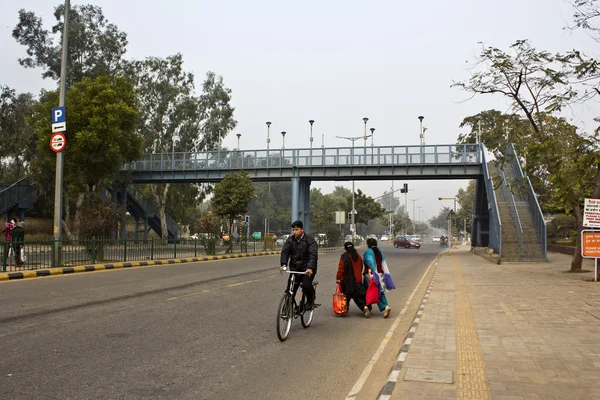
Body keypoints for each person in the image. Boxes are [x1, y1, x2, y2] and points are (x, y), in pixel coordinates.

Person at [280, 220, 318, 309]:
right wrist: (283, 264)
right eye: (293, 230)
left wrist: (310, 267)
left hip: (307, 269)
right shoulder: (290, 240)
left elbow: (313, 255)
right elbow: (285, 252)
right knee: (290, 289)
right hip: (294, 268)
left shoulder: (309, 240)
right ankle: (287, 308)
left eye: (296, 229)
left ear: (302, 229)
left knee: (306, 285)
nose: (294, 232)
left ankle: (310, 301)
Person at [363, 237, 395, 318]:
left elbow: (369, 264)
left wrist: (371, 274)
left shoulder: (368, 252)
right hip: (381, 274)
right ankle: (385, 306)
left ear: (368, 244)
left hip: (370, 275)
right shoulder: (380, 252)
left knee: (368, 291)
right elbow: (383, 264)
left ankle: (367, 307)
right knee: (379, 291)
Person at [336, 242, 369, 317]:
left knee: (346, 296)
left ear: (345, 248)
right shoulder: (358, 256)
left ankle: (344, 310)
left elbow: (341, 268)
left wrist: (338, 278)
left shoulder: (344, 257)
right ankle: (365, 307)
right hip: (358, 281)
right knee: (358, 297)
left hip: (348, 282)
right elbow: (361, 267)